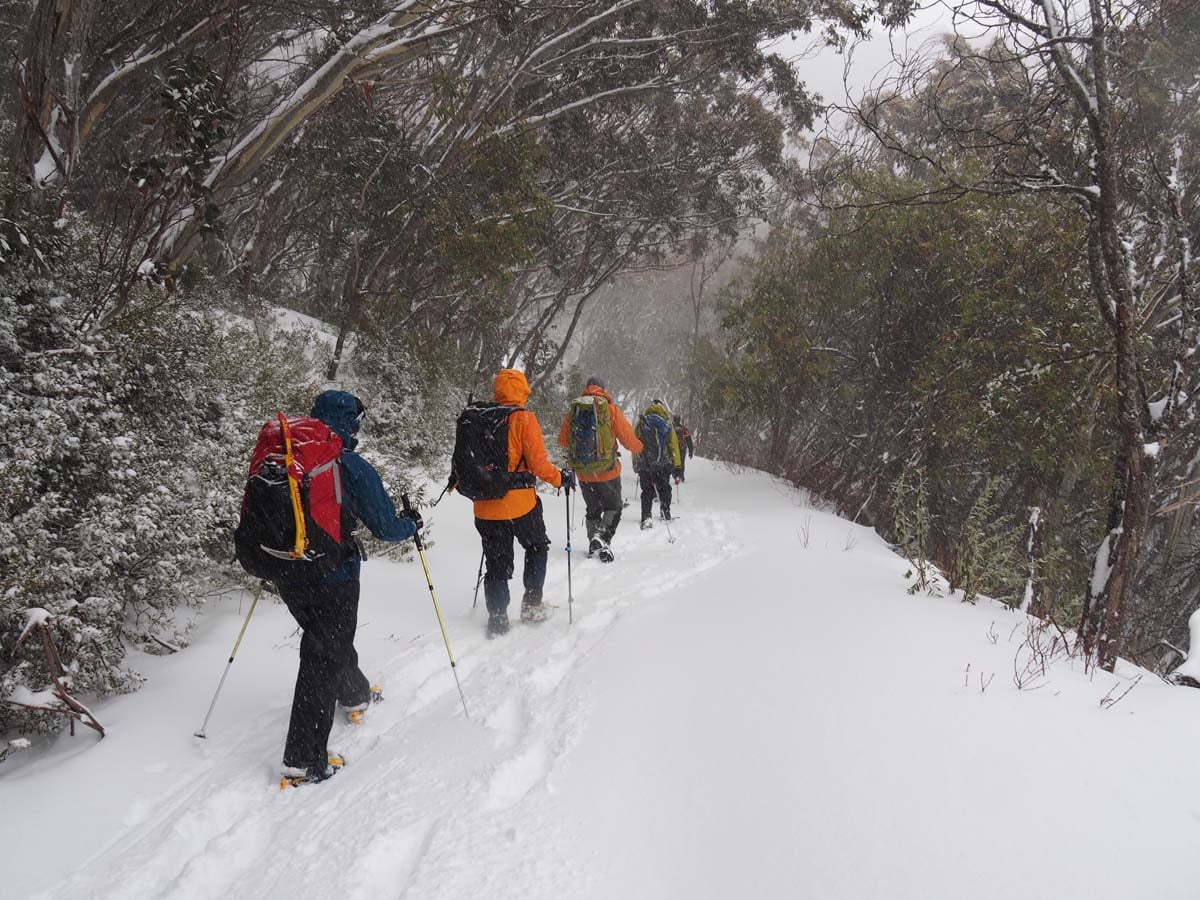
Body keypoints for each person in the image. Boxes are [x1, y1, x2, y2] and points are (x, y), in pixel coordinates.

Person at [278, 390, 422, 785]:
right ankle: (304, 759)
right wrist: (411, 524)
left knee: (328, 639)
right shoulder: (349, 464)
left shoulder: (286, 454)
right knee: (322, 654)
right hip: (333, 573)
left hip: (286, 570)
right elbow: (386, 526)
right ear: (351, 422)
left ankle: (354, 693)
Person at [470, 369, 574, 638]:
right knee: (537, 545)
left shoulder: (477, 418)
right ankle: (531, 603)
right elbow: (538, 464)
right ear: (523, 391)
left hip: (484, 506)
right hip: (520, 504)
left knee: (496, 562)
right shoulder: (523, 419)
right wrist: (560, 479)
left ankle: (498, 617)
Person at [558, 376, 643, 563]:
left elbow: (563, 440)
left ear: (586, 387)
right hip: (607, 471)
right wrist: (641, 448)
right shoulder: (610, 410)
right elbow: (628, 440)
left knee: (593, 509)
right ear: (603, 389)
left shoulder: (575, 410)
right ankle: (602, 537)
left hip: (584, 472)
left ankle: (594, 542)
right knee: (614, 507)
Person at [634, 399, 682, 528]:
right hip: (663, 463)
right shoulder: (666, 423)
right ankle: (665, 512)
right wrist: (677, 465)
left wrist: (636, 464)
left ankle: (646, 517)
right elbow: (673, 444)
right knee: (665, 488)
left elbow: (635, 443)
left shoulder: (642, 422)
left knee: (647, 491)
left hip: (645, 463)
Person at [672, 414, 695, 481]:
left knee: (674, 461)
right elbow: (689, 441)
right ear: (679, 420)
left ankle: (675, 475)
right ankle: (681, 475)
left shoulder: (671, 429)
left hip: (674, 448)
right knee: (682, 461)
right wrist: (691, 450)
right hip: (682, 448)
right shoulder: (684, 429)